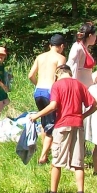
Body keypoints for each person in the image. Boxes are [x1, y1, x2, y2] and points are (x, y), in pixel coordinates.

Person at [28, 65, 97, 193]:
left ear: (57, 74)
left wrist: (36, 115)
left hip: (62, 126)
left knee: (56, 162)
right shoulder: (79, 85)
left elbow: (53, 105)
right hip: (78, 125)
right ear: (70, 73)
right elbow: (95, 105)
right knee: (78, 163)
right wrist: (82, 116)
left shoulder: (57, 85)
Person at [28, 34, 67, 164]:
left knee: (44, 122)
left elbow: (30, 75)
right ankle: (43, 157)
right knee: (51, 125)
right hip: (50, 91)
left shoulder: (40, 57)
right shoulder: (60, 58)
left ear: (50, 45)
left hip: (38, 91)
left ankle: (45, 151)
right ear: (61, 46)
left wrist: (37, 84)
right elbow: (60, 77)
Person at [67, 22, 97, 87]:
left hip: (87, 87)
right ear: (90, 36)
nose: (96, 38)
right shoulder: (77, 47)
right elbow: (72, 66)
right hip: (80, 87)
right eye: (95, 36)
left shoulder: (85, 48)